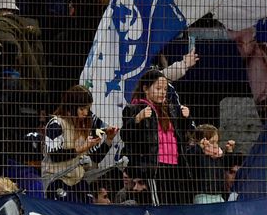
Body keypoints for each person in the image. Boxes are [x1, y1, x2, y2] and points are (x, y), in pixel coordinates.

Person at [121, 68, 193, 205]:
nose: (162, 93)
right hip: (154, 167)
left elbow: (183, 136)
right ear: (145, 88)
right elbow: (125, 135)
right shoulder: (134, 108)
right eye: (158, 88)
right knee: (158, 205)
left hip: (175, 167)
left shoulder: (170, 109)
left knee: (175, 205)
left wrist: (186, 119)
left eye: (165, 89)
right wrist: (137, 119)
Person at [41, 84, 115, 200]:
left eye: (88, 109)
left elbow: (94, 159)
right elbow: (55, 155)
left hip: (77, 181)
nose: (86, 113)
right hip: (57, 180)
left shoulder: (82, 127)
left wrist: (108, 139)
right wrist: (82, 148)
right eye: (82, 109)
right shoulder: (56, 124)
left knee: (88, 207)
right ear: (71, 107)